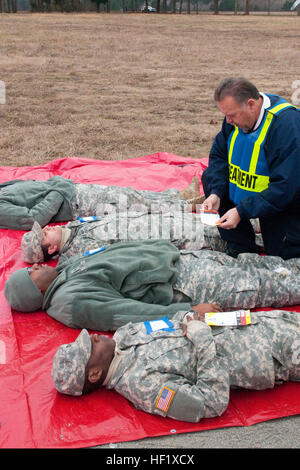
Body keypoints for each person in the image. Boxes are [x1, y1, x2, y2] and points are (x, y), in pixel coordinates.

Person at [51, 309, 300, 422]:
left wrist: (188, 316)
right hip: (275, 354)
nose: (93, 337)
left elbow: (168, 323)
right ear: (94, 374)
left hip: (264, 321)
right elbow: (210, 403)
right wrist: (201, 339)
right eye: (90, 348)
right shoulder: (142, 386)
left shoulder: (125, 336)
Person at [4, 239, 300, 331]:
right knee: (272, 284)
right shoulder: (71, 301)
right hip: (188, 285)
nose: (38, 265)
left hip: (181, 261)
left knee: (266, 265)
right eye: (32, 273)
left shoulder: (63, 272)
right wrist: (189, 311)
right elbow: (127, 314)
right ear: (37, 292)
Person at [201, 77, 300, 259]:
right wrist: (216, 193)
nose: (228, 121)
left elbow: (286, 187)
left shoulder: (286, 126)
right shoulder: (234, 119)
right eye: (226, 115)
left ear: (251, 105)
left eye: (232, 115)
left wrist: (242, 211)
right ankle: (240, 245)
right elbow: (218, 156)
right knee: (210, 177)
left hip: (286, 200)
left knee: (281, 257)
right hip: (261, 195)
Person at [0, 175, 203, 231]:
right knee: (133, 205)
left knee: (130, 195)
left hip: (73, 193)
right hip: (76, 202)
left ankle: (179, 197)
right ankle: (190, 206)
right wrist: (58, 189)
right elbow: (32, 219)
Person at [21, 211, 226, 264]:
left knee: (215, 220)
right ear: (51, 249)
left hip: (160, 220)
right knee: (222, 234)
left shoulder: (72, 227)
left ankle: (253, 221)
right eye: (44, 235)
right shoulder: (78, 252)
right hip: (168, 235)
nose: (47, 228)